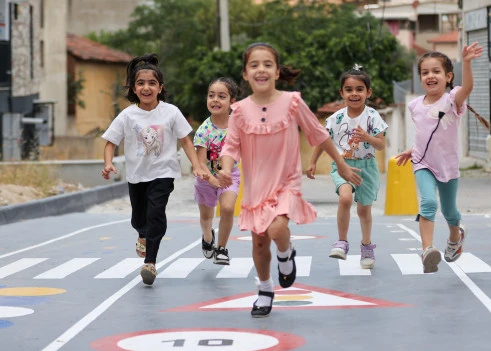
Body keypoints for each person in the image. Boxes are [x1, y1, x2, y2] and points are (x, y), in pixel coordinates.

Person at [218, 43, 362, 318]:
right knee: (259, 243)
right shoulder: (239, 111)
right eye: (254, 65)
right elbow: (231, 147)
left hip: (286, 181)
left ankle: (285, 253)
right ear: (245, 74)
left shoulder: (292, 102)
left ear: (276, 71)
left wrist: (341, 164)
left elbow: (318, 133)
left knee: (276, 229)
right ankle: (264, 289)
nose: (261, 69)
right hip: (257, 187)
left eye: (267, 64)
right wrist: (225, 169)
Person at [101, 54, 210, 286]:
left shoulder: (171, 112)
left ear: (160, 88)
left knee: (156, 214)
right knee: (138, 219)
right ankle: (142, 234)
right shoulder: (127, 115)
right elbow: (111, 142)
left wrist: (197, 165)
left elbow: (186, 141)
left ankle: (150, 262)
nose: (146, 87)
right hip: (137, 175)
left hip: (163, 173)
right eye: (140, 83)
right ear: (133, 88)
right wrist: (108, 163)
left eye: (152, 83)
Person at [396, 44, 488, 273]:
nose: (430, 76)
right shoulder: (414, 106)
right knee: (428, 203)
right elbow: (425, 134)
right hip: (422, 163)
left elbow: (468, 87)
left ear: (448, 77)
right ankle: (427, 250)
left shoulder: (452, 100)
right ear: (420, 78)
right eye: (425, 72)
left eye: (436, 71)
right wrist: (411, 150)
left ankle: (455, 236)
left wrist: (466, 62)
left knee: (449, 212)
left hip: (447, 165)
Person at [306, 65, 387, 269]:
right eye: (349, 89)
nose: (354, 94)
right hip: (343, 165)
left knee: (364, 210)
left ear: (368, 92)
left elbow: (380, 144)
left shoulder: (373, 116)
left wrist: (367, 137)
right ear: (342, 93)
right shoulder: (336, 118)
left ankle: (367, 246)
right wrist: (313, 161)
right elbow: (323, 140)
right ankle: (342, 242)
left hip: (367, 167)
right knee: (345, 198)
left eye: (359, 89)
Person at [193, 77, 241, 266]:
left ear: (232, 102)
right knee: (207, 217)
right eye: (211, 95)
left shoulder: (237, 127)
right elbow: (201, 162)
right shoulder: (203, 130)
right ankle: (207, 238)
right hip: (206, 179)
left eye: (221, 96)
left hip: (230, 176)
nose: (215, 100)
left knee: (227, 208)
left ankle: (221, 248)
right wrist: (213, 181)